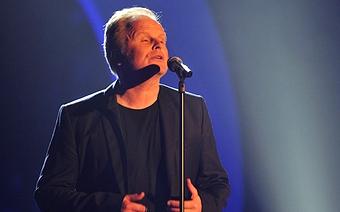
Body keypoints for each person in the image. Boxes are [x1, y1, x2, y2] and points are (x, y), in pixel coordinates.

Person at [34, 6, 230, 212]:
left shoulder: (191, 108)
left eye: (162, 41)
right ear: (117, 56)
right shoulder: (78, 117)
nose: (158, 46)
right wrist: (110, 206)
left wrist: (201, 206)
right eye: (146, 40)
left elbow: (216, 182)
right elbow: (49, 193)